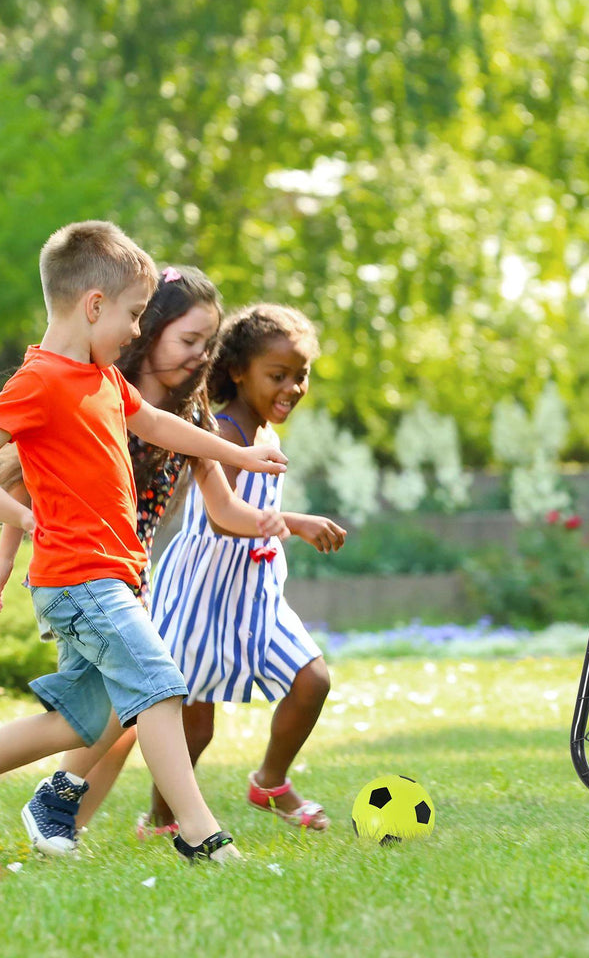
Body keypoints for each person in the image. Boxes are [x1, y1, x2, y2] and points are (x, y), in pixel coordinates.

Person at [0, 220, 287, 863]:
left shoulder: (103, 380)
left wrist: (240, 457)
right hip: (80, 580)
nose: (138, 329)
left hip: (109, 578)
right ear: (94, 305)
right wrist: (20, 520)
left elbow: (159, 425)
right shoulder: (39, 382)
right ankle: (204, 838)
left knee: (78, 724)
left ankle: (56, 802)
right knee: (159, 687)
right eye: (134, 313)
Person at [147, 303, 345, 833]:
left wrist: (283, 528)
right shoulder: (226, 433)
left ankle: (270, 782)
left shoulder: (266, 436)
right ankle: (162, 819)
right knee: (195, 727)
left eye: (300, 376)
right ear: (238, 371)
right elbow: (220, 520)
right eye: (277, 375)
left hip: (254, 594)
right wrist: (296, 522)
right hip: (201, 592)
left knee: (312, 680)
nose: (292, 388)